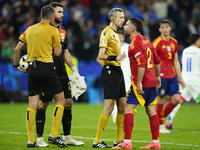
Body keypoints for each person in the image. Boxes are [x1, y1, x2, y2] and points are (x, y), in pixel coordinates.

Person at [13, 5, 67, 148]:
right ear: (51, 17)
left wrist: (16, 65)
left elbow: (17, 49)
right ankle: (54, 135)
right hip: (47, 68)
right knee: (61, 100)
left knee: (32, 105)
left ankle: (31, 140)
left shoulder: (30, 29)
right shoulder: (53, 30)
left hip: (32, 69)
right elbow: (57, 53)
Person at [35, 2, 84, 147]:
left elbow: (65, 52)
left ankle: (67, 136)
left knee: (68, 102)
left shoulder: (62, 31)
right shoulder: (43, 30)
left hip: (62, 72)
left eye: (63, 12)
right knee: (43, 103)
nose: (62, 14)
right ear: (51, 14)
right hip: (48, 71)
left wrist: (75, 71)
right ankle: (39, 138)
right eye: (59, 12)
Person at [112, 17, 161, 150]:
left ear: (132, 29)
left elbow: (142, 64)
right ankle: (155, 142)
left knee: (128, 108)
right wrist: (157, 77)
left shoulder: (135, 43)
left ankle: (127, 142)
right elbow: (157, 60)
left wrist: (139, 82)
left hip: (142, 81)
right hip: (151, 82)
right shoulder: (147, 40)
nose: (124, 26)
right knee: (151, 110)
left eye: (126, 24)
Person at [92, 8, 127, 148]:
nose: (123, 20)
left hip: (118, 70)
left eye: (123, 17)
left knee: (122, 107)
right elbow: (100, 55)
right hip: (110, 70)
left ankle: (118, 140)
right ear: (113, 19)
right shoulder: (106, 33)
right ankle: (97, 141)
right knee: (109, 107)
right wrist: (115, 58)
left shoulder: (115, 34)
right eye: (120, 17)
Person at [153, 19, 185, 133]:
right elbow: (152, 60)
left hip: (172, 76)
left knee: (177, 99)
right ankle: (160, 125)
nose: (165, 29)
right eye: (163, 27)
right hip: (161, 76)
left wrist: (180, 77)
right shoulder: (156, 43)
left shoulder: (174, 42)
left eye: (167, 26)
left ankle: (158, 120)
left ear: (170, 28)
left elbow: (176, 61)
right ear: (159, 29)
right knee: (161, 100)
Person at [96, 28, 134, 123]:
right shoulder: (112, 46)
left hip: (126, 75)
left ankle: (127, 116)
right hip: (115, 74)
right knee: (115, 97)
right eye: (119, 36)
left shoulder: (128, 47)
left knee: (126, 97)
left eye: (121, 36)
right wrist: (108, 65)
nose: (120, 38)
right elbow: (99, 58)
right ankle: (114, 117)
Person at [166, 33, 200, 129]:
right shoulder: (199, 51)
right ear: (197, 41)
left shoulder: (185, 51)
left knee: (179, 101)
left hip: (184, 80)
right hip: (195, 80)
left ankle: (169, 120)